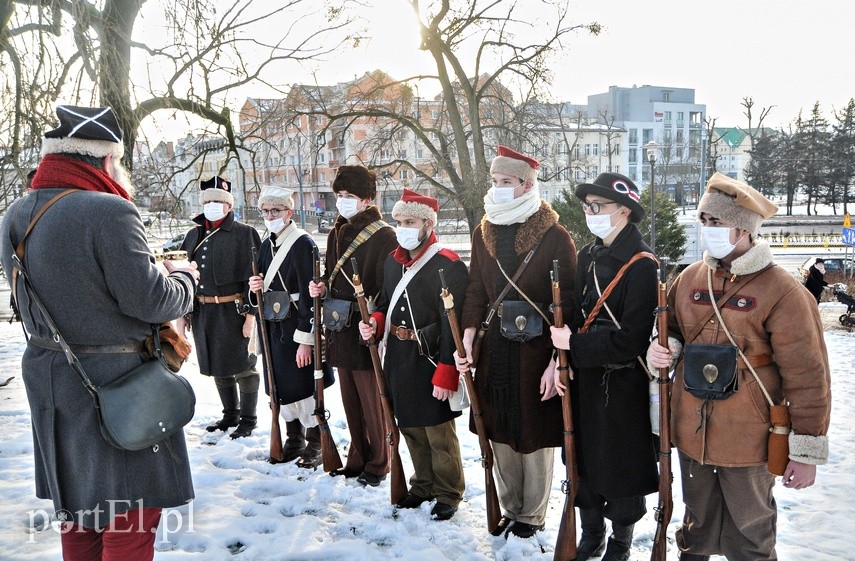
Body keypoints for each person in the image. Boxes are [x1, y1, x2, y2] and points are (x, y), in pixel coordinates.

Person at [0, 105, 199, 560]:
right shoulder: (110, 210)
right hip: (117, 386)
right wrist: (184, 278)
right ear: (107, 159)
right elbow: (150, 301)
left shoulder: (16, 213)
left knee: (81, 516)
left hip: (52, 378)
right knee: (129, 521)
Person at [646, 173, 832, 561]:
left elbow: (808, 376)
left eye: (718, 222)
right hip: (692, 433)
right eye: (705, 221)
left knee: (751, 536)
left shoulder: (783, 290)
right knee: (694, 530)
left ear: (745, 229)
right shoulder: (689, 277)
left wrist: (805, 450)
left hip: (751, 438)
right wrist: (661, 349)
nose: (708, 230)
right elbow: (671, 331)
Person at [455, 146, 577, 538]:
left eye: (505, 182)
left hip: (537, 348)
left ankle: (533, 513)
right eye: (494, 182)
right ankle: (510, 506)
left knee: (534, 431)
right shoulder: (484, 230)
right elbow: (476, 288)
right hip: (496, 348)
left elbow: (569, 303)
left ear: (526, 184)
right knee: (500, 426)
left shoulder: (555, 235)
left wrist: (556, 362)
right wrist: (470, 333)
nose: (498, 188)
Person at [549, 173, 658, 561]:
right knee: (582, 459)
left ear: (624, 210)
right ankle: (592, 534)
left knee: (619, 465)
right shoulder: (589, 255)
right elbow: (576, 313)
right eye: (587, 206)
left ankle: (620, 543)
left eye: (598, 206)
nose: (590, 213)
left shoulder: (643, 264)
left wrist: (574, 345)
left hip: (620, 383)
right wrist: (558, 359)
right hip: (583, 377)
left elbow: (630, 340)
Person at [358, 189, 468, 520]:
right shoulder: (393, 261)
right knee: (409, 425)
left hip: (431, 357)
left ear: (428, 223)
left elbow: (454, 324)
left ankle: (448, 492)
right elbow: (385, 302)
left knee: (437, 430)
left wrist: (448, 369)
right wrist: (375, 324)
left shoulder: (447, 264)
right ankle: (422, 485)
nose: (404, 227)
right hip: (398, 355)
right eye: (400, 221)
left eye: (411, 221)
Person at [308, 165, 397, 486]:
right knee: (350, 401)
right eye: (339, 195)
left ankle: (379, 462)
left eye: (350, 196)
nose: (343, 201)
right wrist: (319, 287)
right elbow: (333, 275)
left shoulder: (384, 235)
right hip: (338, 326)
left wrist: (375, 320)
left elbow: (388, 289)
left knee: (372, 402)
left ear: (367, 199)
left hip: (364, 327)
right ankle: (357, 458)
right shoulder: (336, 232)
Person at [248, 185, 334, 468]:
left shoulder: (303, 243)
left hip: (296, 327)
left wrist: (306, 340)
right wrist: (254, 288)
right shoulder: (264, 244)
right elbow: (258, 292)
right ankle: (293, 438)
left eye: (276, 210)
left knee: (305, 389)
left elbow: (312, 298)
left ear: (289, 212)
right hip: (273, 329)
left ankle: (314, 442)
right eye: (266, 211)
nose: (270, 215)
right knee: (280, 388)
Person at [177, 176, 262, 438]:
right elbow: (182, 275)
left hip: (234, 311)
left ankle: (248, 419)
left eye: (219, 201)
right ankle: (230, 415)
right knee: (217, 364)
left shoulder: (245, 233)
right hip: (204, 311)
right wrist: (185, 312)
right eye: (209, 201)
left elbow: (255, 279)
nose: (213, 205)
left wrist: (250, 315)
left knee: (243, 367)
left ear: (228, 206)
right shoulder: (193, 235)